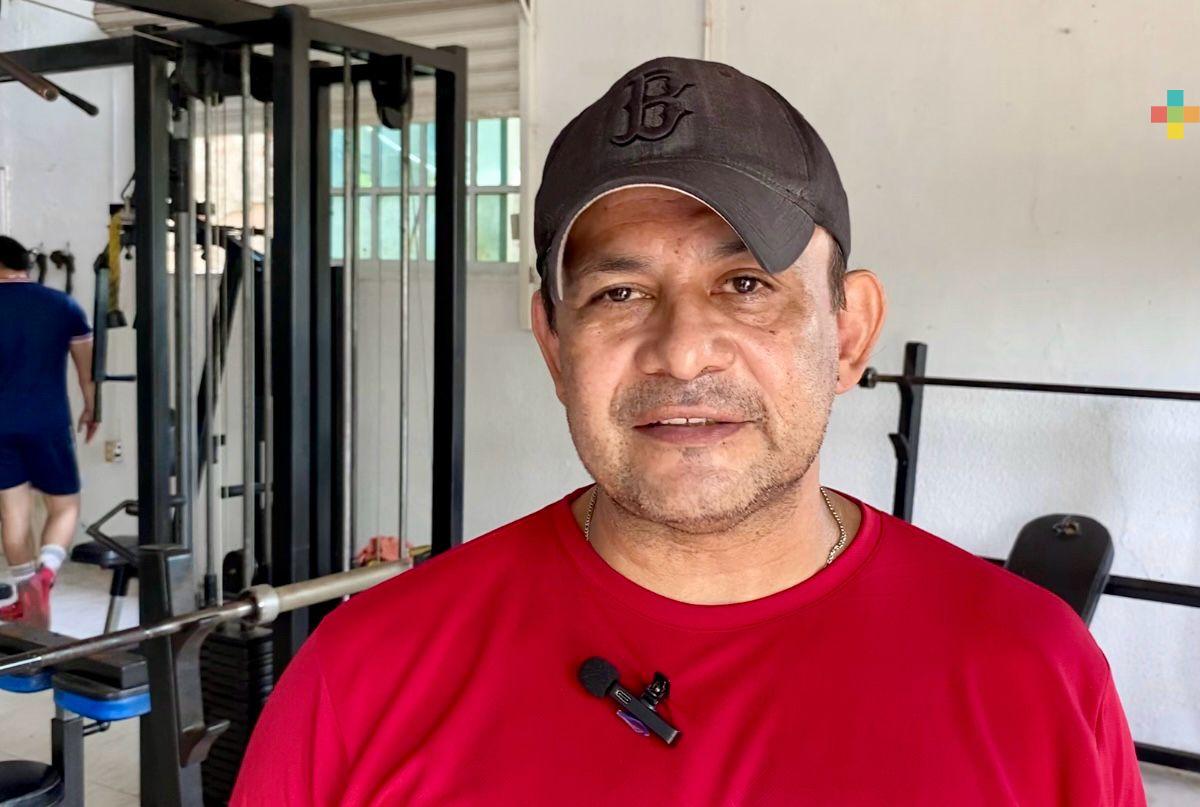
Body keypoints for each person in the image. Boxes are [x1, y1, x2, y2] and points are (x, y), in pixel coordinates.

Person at [233, 57, 1146, 805]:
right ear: (554, 345)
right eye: (618, 293)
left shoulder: (1037, 674)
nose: (679, 351)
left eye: (745, 284)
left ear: (849, 333)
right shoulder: (362, 677)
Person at [0, 235, 98, 629]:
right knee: (65, 506)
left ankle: (29, 603)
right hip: (49, 423)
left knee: (13, 515)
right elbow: (87, 372)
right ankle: (46, 574)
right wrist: (92, 408)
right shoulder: (64, 306)